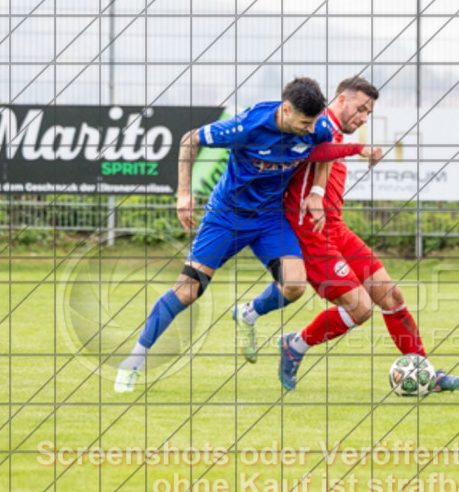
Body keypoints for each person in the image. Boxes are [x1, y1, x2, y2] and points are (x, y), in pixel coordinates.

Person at [115, 77, 333, 393]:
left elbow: (325, 149)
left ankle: (249, 314)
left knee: (295, 285)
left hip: (269, 220)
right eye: (304, 123)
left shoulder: (317, 126)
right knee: (188, 291)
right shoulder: (246, 126)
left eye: (314, 123)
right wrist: (184, 193)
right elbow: (189, 140)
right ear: (285, 110)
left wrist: (316, 191)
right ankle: (133, 361)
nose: (311, 129)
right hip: (226, 216)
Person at [273, 76, 459, 392]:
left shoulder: (333, 132)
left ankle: (425, 374)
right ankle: (295, 346)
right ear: (340, 100)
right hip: (308, 232)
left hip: (335, 228)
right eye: (361, 108)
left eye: (369, 112)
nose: (364, 117)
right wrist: (357, 151)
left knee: (391, 296)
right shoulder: (314, 126)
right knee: (361, 307)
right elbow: (311, 152)